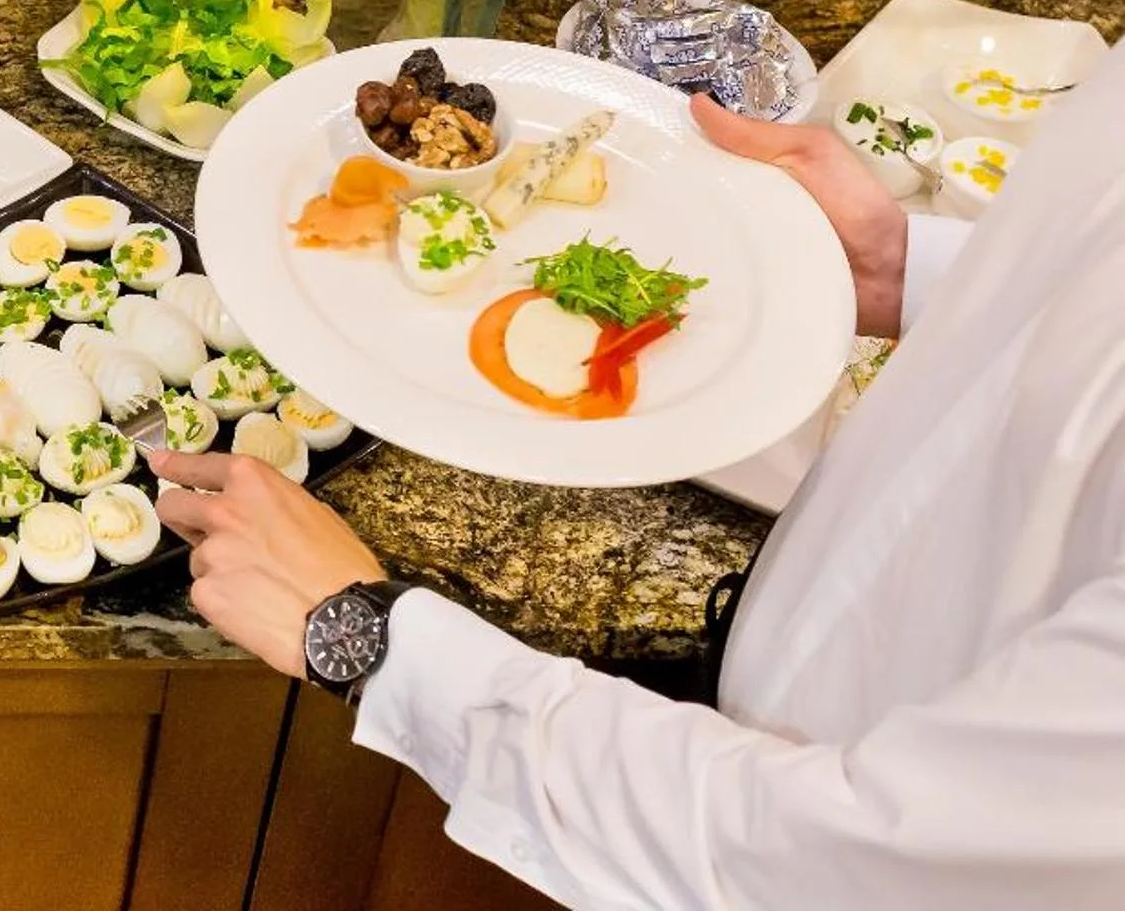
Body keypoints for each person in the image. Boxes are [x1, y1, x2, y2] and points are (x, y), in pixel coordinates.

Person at [152, 47, 1125, 908]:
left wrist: (379, 644)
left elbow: (837, 863)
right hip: (767, 677)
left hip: (740, 829)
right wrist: (908, 269)